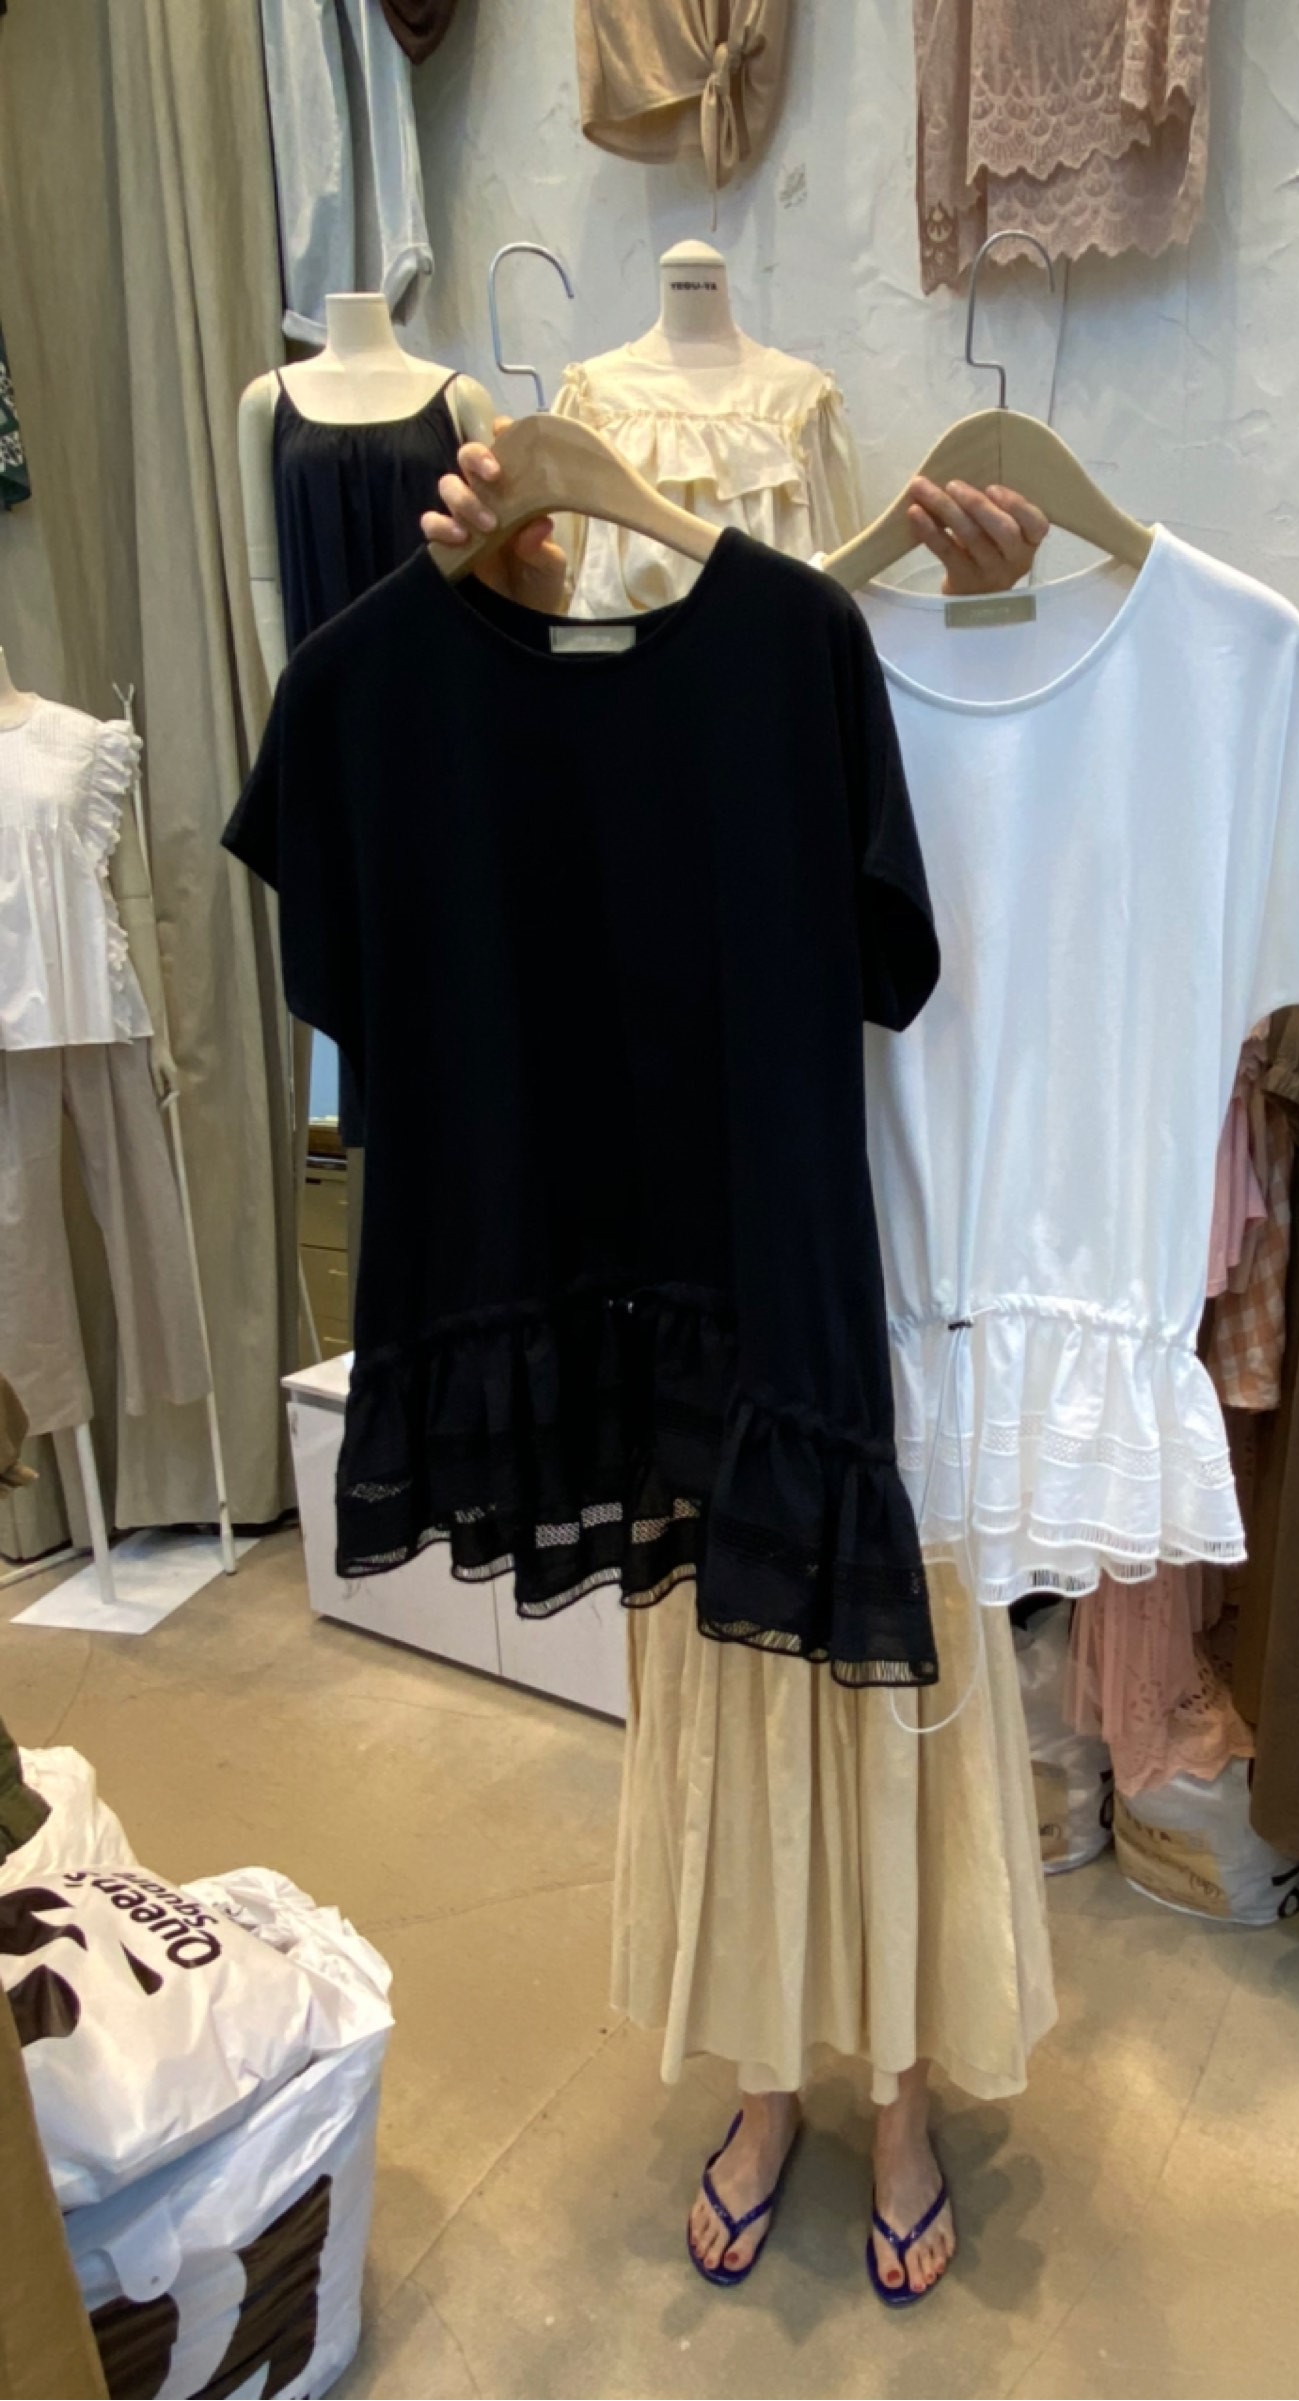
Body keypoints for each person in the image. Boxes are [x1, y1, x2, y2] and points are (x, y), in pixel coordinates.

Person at [422, 439, 1049, 2300]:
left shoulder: (835, 623)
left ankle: (907, 2091)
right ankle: (771, 2078)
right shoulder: (585, 557)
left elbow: (956, 923)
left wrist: (1001, 621)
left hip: (897, 1219)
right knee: (725, 1673)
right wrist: (510, 610)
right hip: (697, 1240)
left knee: (901, 1669)